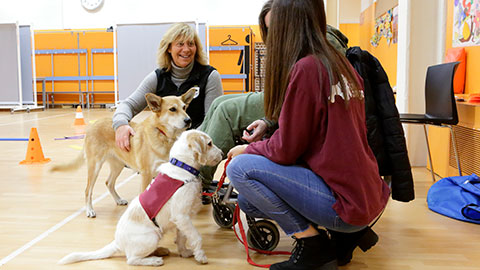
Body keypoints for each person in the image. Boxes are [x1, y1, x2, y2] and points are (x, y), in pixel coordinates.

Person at [225, 0, 391, 269]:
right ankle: (341, 236)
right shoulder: (339, 63)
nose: (271, 40)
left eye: (274, 30)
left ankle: (314, 246)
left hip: (346, 203)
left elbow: (286, 150)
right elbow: (316, 136)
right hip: (365, 195)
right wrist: (271, 126)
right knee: (248, 201)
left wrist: (248, 149)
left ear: (291, 27)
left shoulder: (306, 68)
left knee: (240, 169)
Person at [198, 0, 350, 191]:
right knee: (219, 102)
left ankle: (197, 182)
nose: (273, 37)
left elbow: (288, 140)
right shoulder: (306, 47)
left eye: (275, 28)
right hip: (284, 95)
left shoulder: (317, 53)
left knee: (226, 111)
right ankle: (190, 167)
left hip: (290, 98)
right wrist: (268, 121)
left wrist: (251, 146)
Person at [113, 22, 223, 151]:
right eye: (180, 44)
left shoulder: (210, 76)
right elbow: (129, 104)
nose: (186, 49)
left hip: (196, 144)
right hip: (165, 145)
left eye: (191, 44)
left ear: (196, 48)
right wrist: (120, 125)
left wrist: (186, 140)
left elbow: (212, 120)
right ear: (169, 48)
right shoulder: (157, 77)